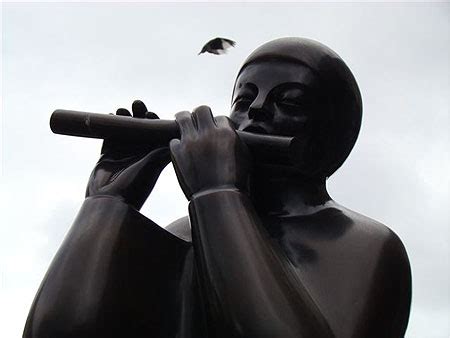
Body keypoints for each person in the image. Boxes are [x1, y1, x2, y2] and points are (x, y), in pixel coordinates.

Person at [24, 38, 411, 338]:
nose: (255, 110)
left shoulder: (366, 244)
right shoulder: (181, 234)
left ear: (331, 135)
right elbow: (58, 332)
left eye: (289, 102)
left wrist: (217, 193)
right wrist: (106, 204)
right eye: (244, 98)